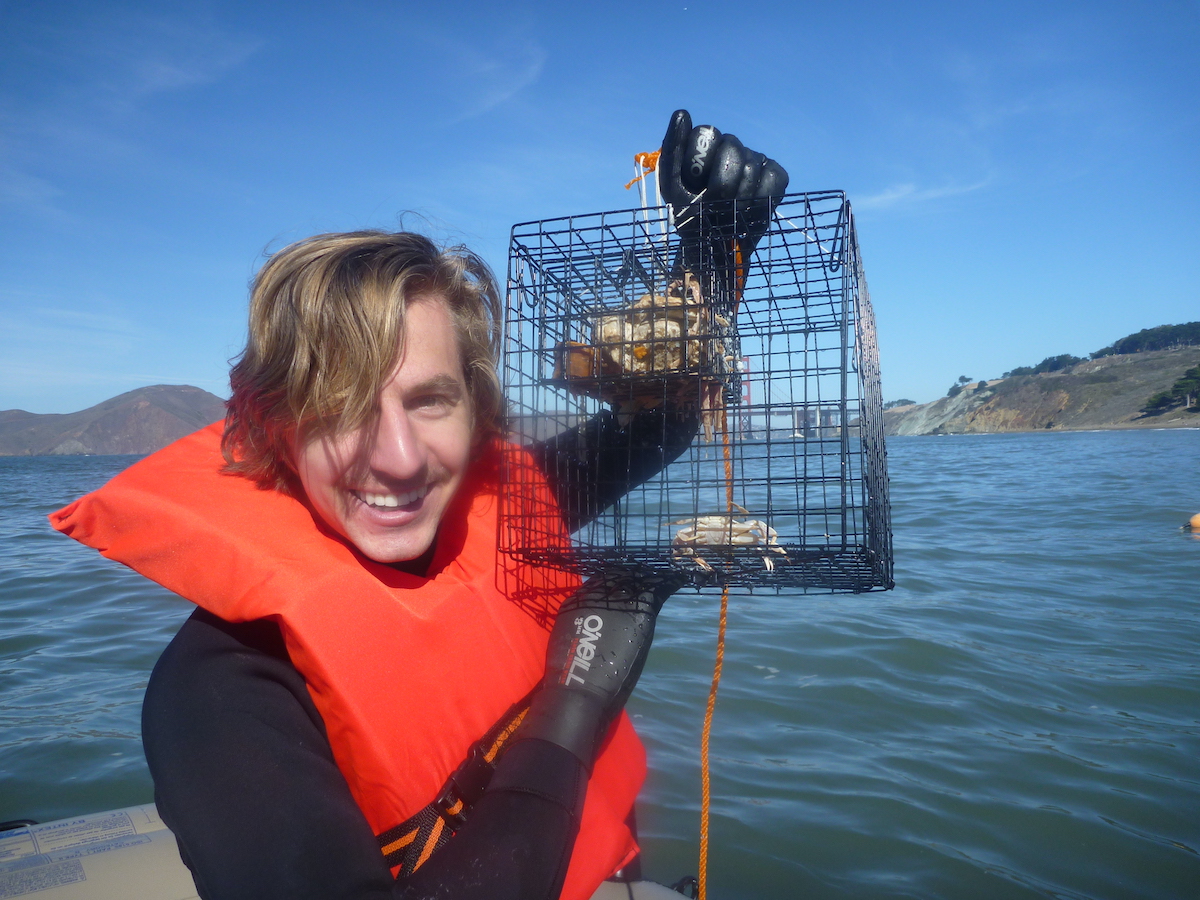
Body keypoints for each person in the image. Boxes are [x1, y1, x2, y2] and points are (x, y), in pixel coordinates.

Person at [50, 111, 787, 900]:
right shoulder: (221, 695)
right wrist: (576, 704)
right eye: (338, 410)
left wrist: (707, 265)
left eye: (430, 400)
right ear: (275, 428)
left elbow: (658, 426)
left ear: (476, 406)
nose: (398, 459)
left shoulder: (499, 507)